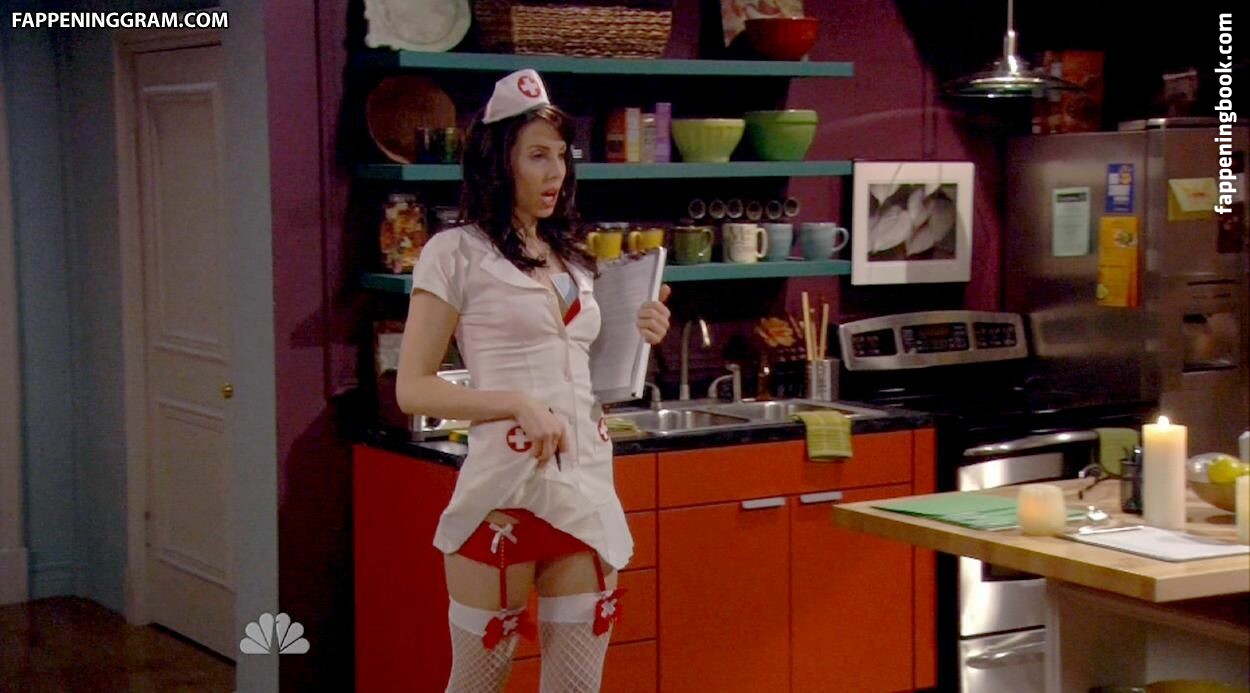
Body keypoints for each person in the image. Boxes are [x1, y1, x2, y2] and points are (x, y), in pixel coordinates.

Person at [396, 69, 672, 693]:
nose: (556, 173)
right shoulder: (454, 253)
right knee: (479, 683)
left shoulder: (572, 256)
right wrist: (515, 403)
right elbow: (413, 388)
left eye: (562, 156)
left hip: (584, 490)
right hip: (503, 492)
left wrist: (641, 334)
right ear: (501, 162)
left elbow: (586, 376)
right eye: (538, 156)